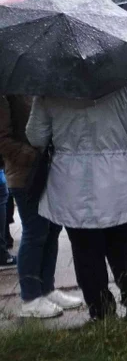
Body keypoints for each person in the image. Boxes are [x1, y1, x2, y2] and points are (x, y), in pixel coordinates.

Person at [26, 87, 127, 319]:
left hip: (71, 182)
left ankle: (100, 309)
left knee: (84, 249)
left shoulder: (49, 91)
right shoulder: (122, 89)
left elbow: (35, 136)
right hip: (116, 180)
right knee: (119, 242)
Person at [0, 96, 79, 318]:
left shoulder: (35, 84)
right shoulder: (6, 88)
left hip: (46, 170)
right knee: (35, 231)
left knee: (52, 228)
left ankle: (46, 288)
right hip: (25, 175)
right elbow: (2, 139)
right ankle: (31, 298)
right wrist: (33, 156)